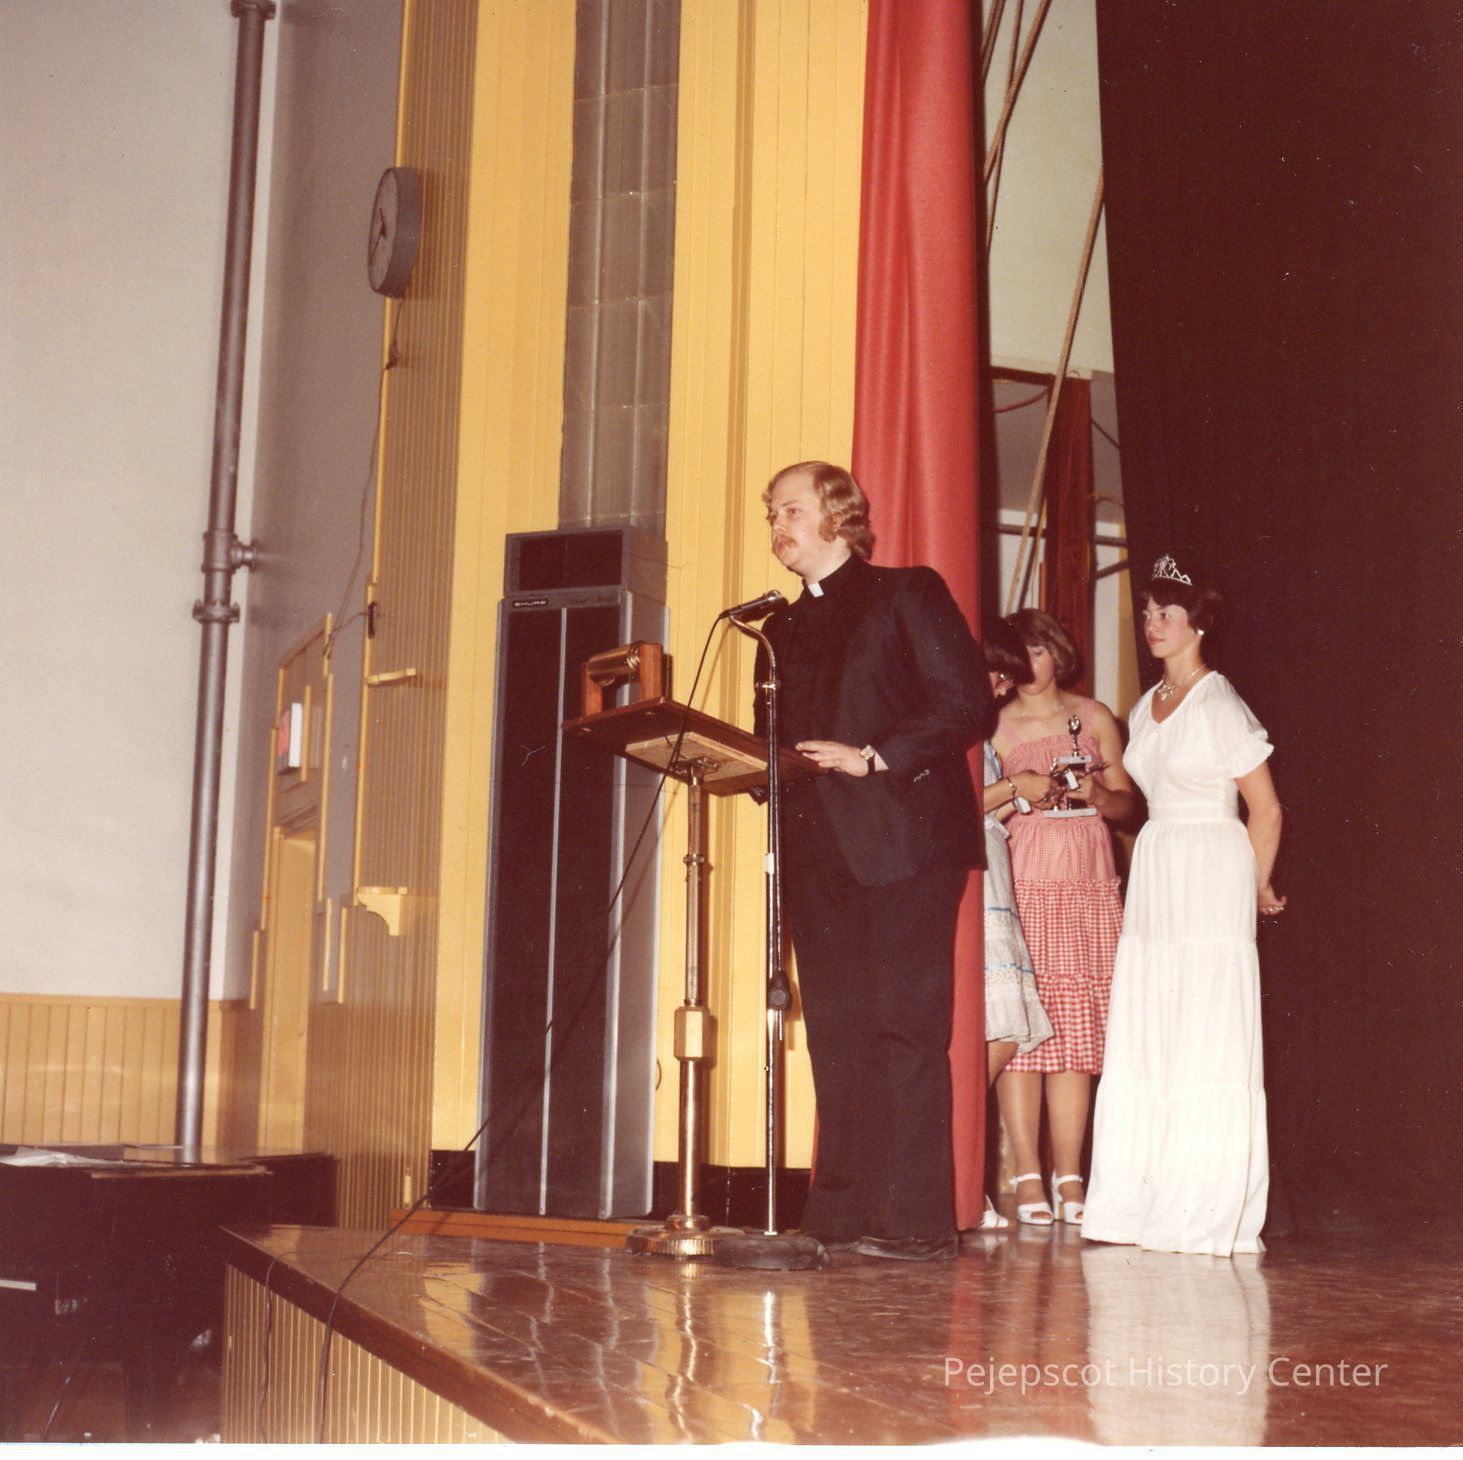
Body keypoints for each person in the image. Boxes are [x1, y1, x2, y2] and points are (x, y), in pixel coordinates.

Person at [754, 460, 988, 1262]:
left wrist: (874, 757)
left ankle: (913, 1221)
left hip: (903, 842)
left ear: (838, 514)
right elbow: (771, 744)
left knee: (902, 1028)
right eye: (771, 514)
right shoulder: (775, 631)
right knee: (836, 1033)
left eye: (790, 510)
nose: (777, 525)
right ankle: (839, 1215)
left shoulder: (905, 593)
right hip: (815, 852)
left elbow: (964, 702)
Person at [1082, 555, 1285, 1256]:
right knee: (1154, 1026)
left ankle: (1201, 1207)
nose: (1152, 624)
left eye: (1166, 613)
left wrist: (1255, 885)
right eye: (1146, 613)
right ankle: (1137, 1202)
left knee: (1203, 1030)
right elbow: (1141, 797)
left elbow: (1265, 809)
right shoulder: (1146, 705)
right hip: (1159, 862)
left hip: (1209, 864)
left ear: (1198, 623)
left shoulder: (1219, 704)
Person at [993, 608, 1137, 1227]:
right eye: (1016, 655)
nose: (1027, 665)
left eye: (1036, 651)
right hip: (1028, 880)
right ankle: (1028, 1173)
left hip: (1086, 884)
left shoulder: (1095, 716)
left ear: (1057, 653)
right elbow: (979, 809)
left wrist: (1096, 795)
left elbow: (1129, 805)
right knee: (1024, 1029)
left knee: (1076, 1034)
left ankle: (1070, 1174)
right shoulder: (995, 725)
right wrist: (1023, 794)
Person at [975, 617, 1056, 1230]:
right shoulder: (955, 724)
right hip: (974, 882)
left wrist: (1020, 796)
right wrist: (1015, 785)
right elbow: (948, 805)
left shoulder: (979, 729)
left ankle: (955, 1166)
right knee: (998, 1027)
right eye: (997, 674)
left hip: (993, 870)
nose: (1003, 688)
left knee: (1003, 1029)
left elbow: (983, 805)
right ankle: (951, 1166)